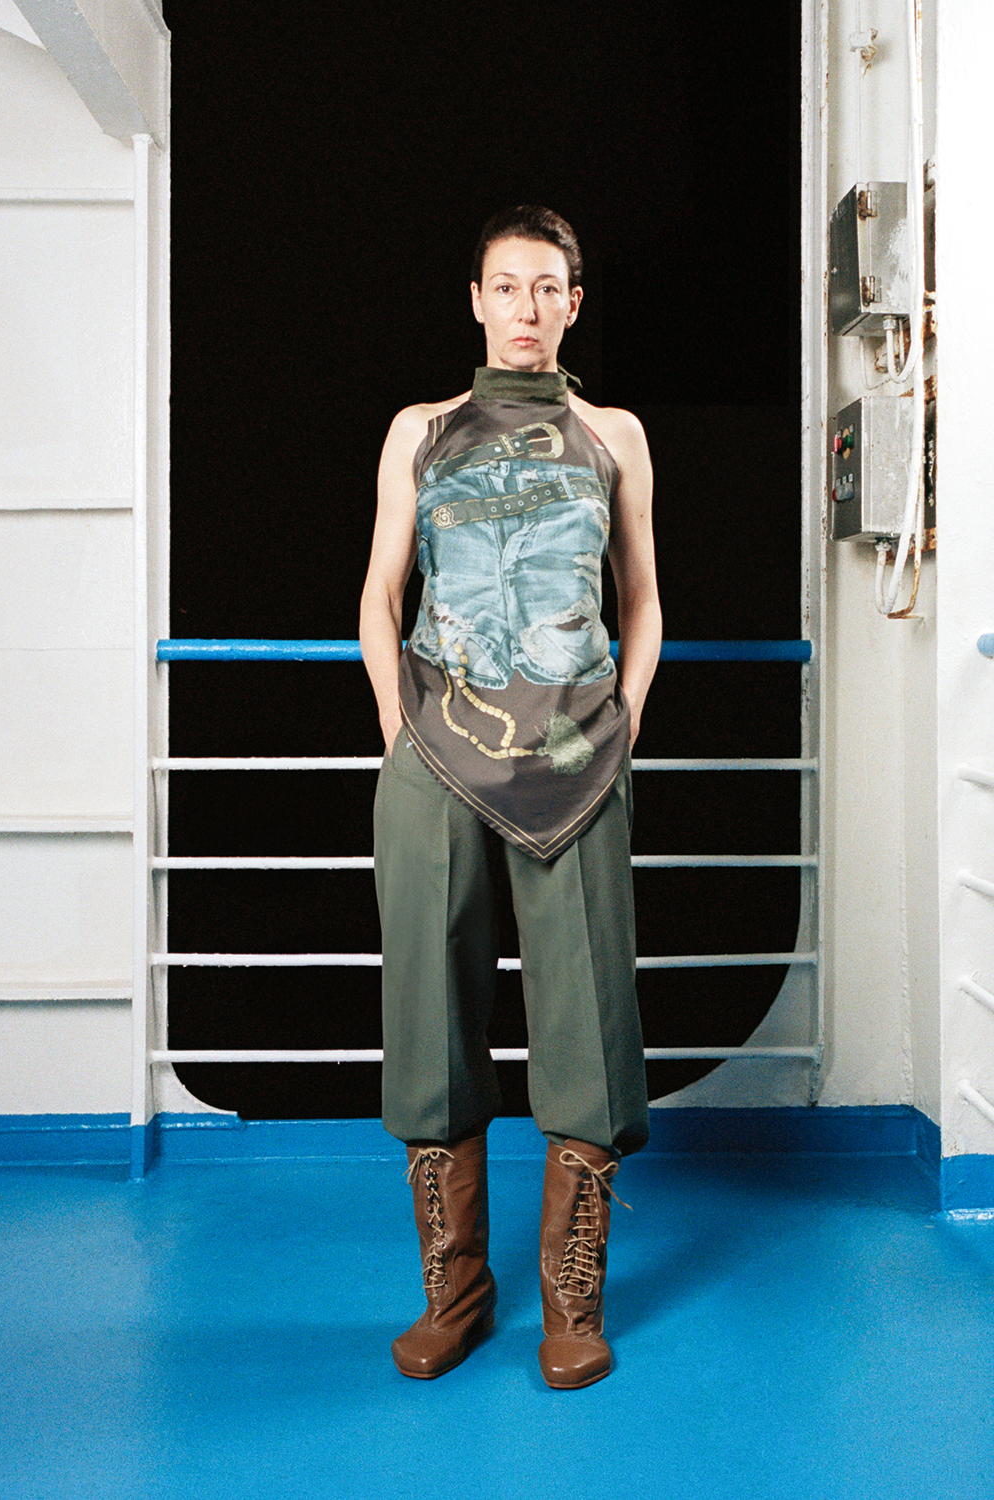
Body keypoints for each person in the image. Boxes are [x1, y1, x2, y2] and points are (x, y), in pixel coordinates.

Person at [359, 206, 662, 1389]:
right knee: (427, 1015)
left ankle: (572, 1301)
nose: (525, 308)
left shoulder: (614, 434)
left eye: (546, 288)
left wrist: (624, 717)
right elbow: (380, 592)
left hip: (576, 754)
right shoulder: (419, 429)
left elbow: (641, 597)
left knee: (586, 1017)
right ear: (476, 300)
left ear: (571, 305)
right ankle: (456, 1291)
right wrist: (396, 728)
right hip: (436, 749)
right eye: (505, 286)